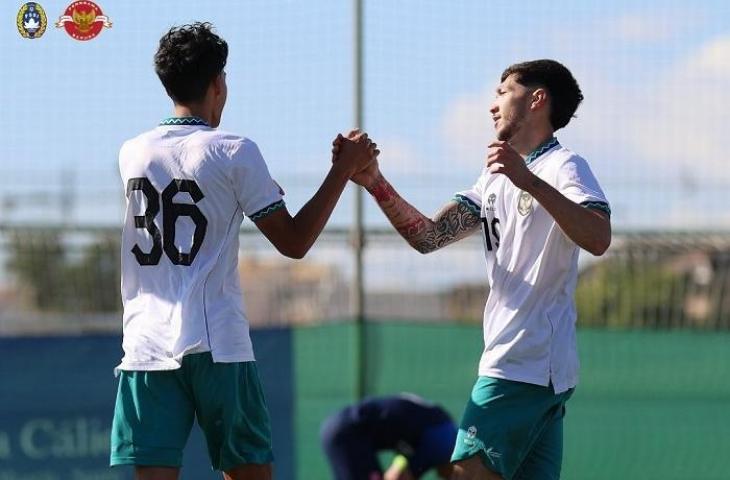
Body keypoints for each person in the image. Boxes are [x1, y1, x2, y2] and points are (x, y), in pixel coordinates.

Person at [110, 23, 377, 480]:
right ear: (218, 83)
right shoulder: (235, 149)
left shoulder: (131, 152)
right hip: (218, 343)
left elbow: (189, 188)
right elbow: (293, 242)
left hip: (145, 346)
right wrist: (343, 169)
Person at [339, 59, 612, 479]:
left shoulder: (563, 166)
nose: (492, 105)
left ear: (537, 99)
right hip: (538, 371)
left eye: (504, 92)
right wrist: (376, 180)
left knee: (463, 472)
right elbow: (428, 237)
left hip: (521, 363)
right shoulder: (494, 176)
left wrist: (529, 182)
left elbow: (598, 237)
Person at [320, 394, 458, 480]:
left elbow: (401, 464)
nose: (441, 477)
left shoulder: (440, 430)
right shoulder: (441, 445)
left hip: (339, 428)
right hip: (348, 434)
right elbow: (398, 476)